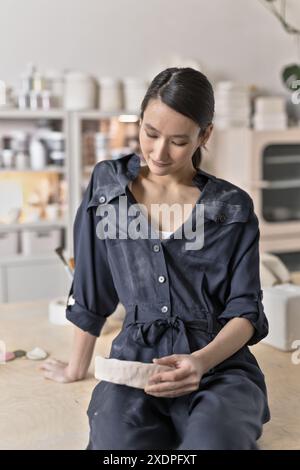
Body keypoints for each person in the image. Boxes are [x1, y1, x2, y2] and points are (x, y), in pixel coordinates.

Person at [41, 67, 271, 450]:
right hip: (134, 362)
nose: (159, 153)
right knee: (119, 445)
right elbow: (91, 287)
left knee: (213, 442)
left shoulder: (232, 207)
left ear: (205, 135)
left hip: (218, 366)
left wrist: (201, 361)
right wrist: (76, 365)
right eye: (150, 133)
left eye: (179, 141)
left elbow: (245, 310)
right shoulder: (108, 185)